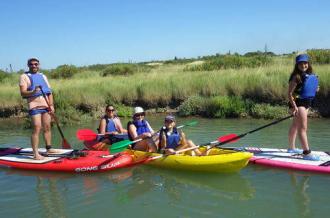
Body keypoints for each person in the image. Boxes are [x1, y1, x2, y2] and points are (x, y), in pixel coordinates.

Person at [19, 58, 54, 160]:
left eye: (36, 64)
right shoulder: (24, 76)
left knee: (47, 127)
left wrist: (51, 105)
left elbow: (49, 92)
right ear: (28, 65)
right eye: (31, 64)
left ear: (39, 65)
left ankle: (49, 148)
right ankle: (36, 154)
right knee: (37, 128)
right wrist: (33, 91)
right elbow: (23, 93)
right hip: (34, 106)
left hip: (46, 105)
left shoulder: (43, 76)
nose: (34, 66)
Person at [288, 54, 319, 161]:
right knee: (303, 128)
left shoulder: (309, 75)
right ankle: (306, 153)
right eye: (300, 63)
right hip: (298, 104)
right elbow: (289, 94)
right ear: (297, 65)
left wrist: (315, 88)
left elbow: (308, 89)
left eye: (305, 63)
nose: (303, 65)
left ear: (308, 64)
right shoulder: (295, 77)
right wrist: (295, 107)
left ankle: (291, 148)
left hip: (306, 103)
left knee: (295, 125)